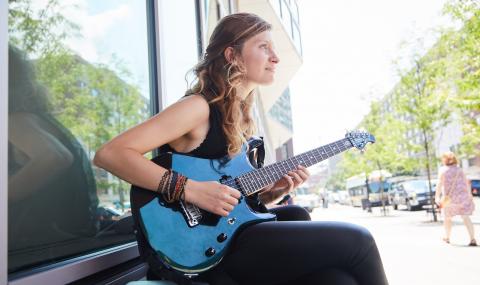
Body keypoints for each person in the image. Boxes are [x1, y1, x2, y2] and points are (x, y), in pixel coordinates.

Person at [94, 13, 388, 285]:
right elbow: (111, 154)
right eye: (264, 47)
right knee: (357, 241)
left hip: (232, 235)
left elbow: (231, 200)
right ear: (232, 55)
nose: (275, 58)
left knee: (335, 277)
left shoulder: (242, 124)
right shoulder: (197, 108)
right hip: (200, 251)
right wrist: (190, 189)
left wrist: (275, 191)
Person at [435, 151, 477, 246]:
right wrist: (469, 195)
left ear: (445, 160)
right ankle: (472, 239)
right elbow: (467, 183)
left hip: (449, 199)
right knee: (465, 217)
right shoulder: (459, 170)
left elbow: (439, 184)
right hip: (463, 197)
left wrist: (437, 197)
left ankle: (447, 237)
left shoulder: (443, 170)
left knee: (448, 218)